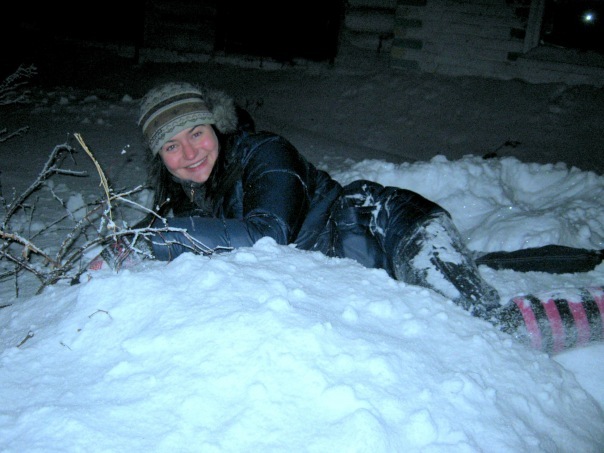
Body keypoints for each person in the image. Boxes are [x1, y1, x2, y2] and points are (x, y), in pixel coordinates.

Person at [123, 81, 602, 354]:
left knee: (480, 325)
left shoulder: (265, 152)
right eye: (172, 145)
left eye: (197, 133)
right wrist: (129, 247)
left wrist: (159, 238)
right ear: (160, 159)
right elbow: (170, 240)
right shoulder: (187, 202)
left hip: (391, 225)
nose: (190, 153)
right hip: (372, 272)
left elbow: (267, 234)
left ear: (218, 126)